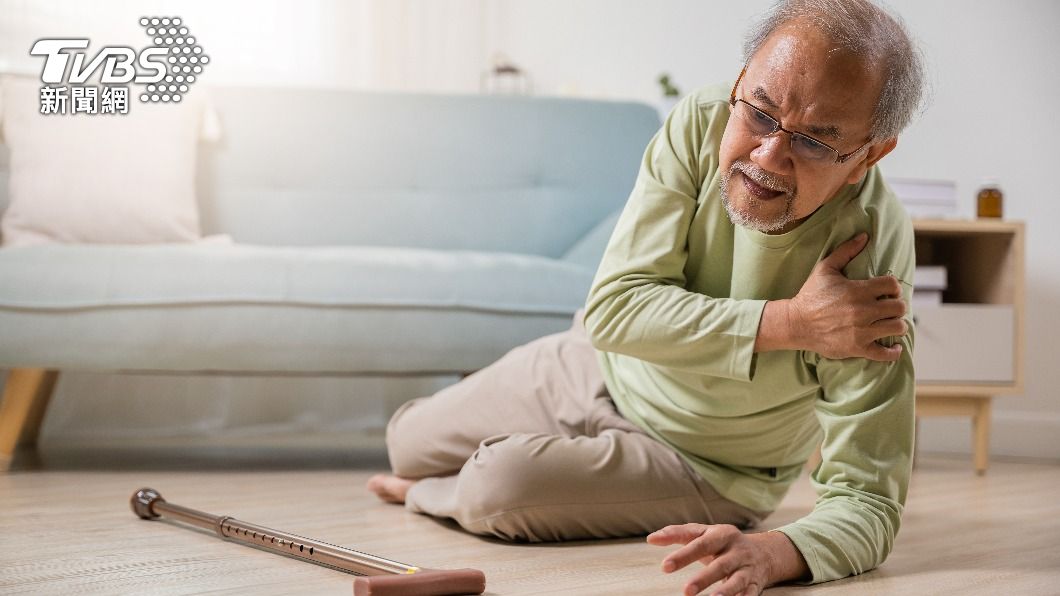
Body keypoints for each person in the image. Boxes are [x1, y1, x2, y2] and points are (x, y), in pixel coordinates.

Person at [368, 0, 925, 593]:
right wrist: (788, 322)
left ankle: (437, 494)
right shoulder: (702, 122)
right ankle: (451, 480)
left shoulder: (870, 269)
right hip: (596, 364)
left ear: (870, 153)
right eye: (760, 113)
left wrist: (777, 553)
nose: (768, 157)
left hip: (708, 465)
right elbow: (614, 311)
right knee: (405, 441)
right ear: (741, 82)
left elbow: (868, 500)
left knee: (494, 489)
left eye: (815, 142)